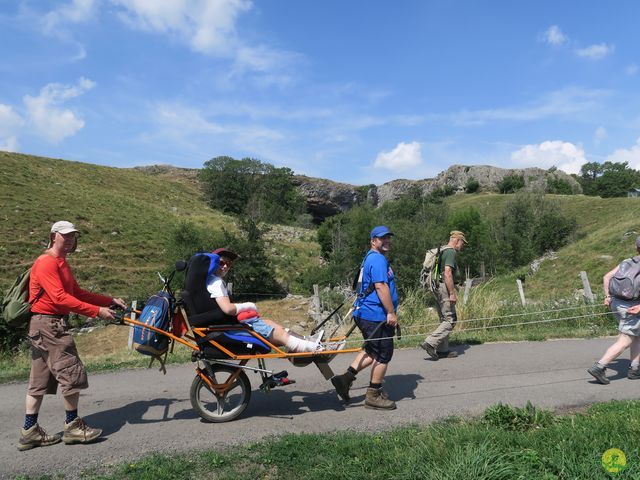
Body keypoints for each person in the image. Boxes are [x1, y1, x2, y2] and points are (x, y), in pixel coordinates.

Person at [18, 221, 126, 451]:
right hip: (49, 325)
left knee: (40, 380)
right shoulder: (46, 262)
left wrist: (108, 301)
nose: (69, 240)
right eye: (65, 236)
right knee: (70, 373)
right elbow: (59, 298)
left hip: (43, 326)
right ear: (53, 236)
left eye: (73, 236)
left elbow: (76, 293)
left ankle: (30, 431)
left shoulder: (62, 263)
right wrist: (97, 312)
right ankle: (73, 427)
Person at [330, 226, 398, 410]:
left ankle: (345, 380)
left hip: (367, 313)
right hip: (374, 314)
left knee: (372, 349)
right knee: (384, 353)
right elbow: (381, 287)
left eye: (388, 238)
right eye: (382, 238)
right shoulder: (377, 259)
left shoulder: (372, 257)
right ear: (373, 240)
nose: (386, 241)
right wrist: (391, 312)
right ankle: (373, 395)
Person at [206, 247, 323, 353]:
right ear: (214, 262)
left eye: (229, 263)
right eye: (221, 262)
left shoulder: (209, 280)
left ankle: (303, 340)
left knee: (267, 322)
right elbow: (228, 309)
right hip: (229, 329)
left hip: (226, 325)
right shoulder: (216, 282)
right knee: (278, 333)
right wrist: (249, 305)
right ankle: (314, 348)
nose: (225, 266)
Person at [587, 236, 640, 384]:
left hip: (616, 303)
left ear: (636, 248)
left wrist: (607, 296)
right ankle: (600, 366)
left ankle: (634, 369)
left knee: (637, 335)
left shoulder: (627, 262)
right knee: (626, 339)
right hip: (632, 307)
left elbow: (606, 277)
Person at [420, 230, 467, 360]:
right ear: (457, 240)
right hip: (444, 288)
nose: (462, 246)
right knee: (450, 320)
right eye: (462, 243)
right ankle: (430, 343)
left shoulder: (442, 251)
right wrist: (452, 293)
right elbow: (447, 273)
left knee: (443, 319)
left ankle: (443, 350)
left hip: (436, 286)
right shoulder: (450, 252)